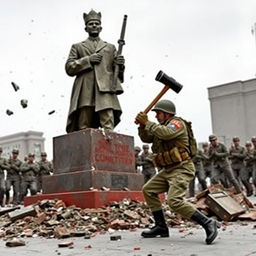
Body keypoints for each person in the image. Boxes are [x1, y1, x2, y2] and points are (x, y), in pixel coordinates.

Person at [135, 99, 220, 245]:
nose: (156, 116)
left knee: (174, 201)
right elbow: (147, 137)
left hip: (182, 168)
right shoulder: (159, 127)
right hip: (167, 170)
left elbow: (167, 133)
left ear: (167, 113)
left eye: (158, 113)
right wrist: (142, 126)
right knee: (148, 190)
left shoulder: (177, 123)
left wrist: (148, 123)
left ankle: (208, 223)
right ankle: (161, 227)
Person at [65, 9, 125, 133]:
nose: (94, 25)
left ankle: (110, 149)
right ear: (86, 28)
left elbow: (117, 74)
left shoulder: (110, 47)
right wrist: (88, 60)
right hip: (85, 90)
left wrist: (120, 65)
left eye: (96, 23)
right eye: (91, 23)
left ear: (100, 27)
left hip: (105, 89)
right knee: (84, 125)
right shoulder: (78, 47)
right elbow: (69, 67)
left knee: (108, 123)